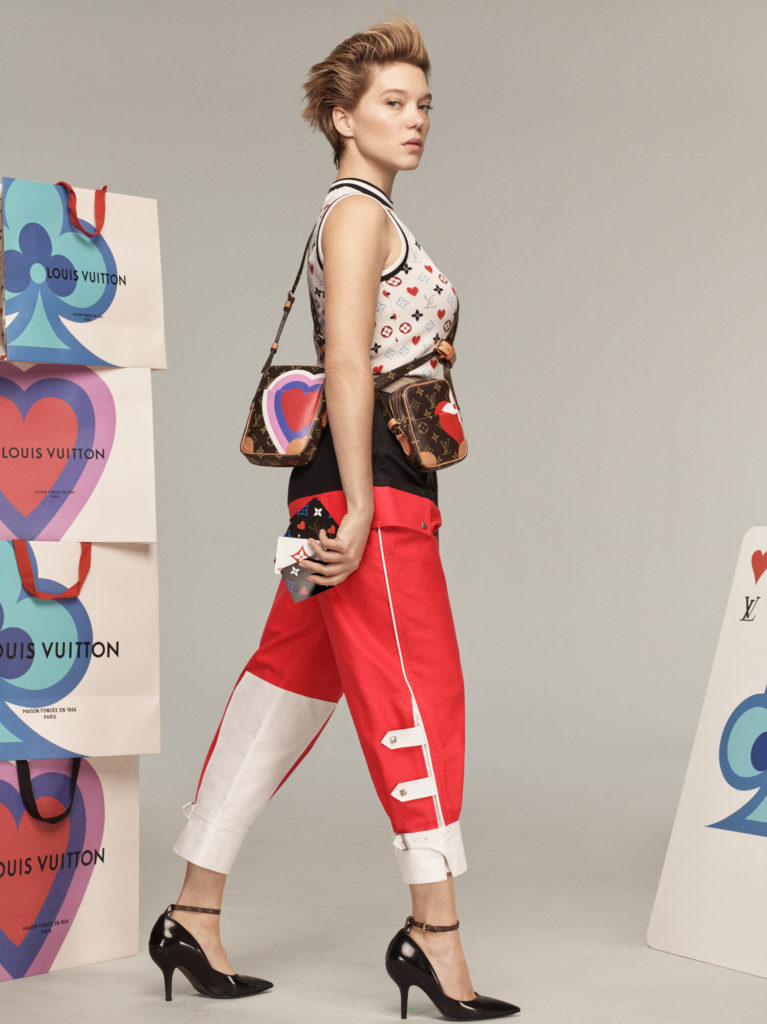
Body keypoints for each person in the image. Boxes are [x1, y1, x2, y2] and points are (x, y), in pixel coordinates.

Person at [149, 16, 519, 1020]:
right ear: (342, 118)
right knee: (417, 692)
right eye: (392, 102)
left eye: (423, 103)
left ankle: (191, 911)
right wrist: (358, 506)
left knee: (286, 688)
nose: (416, 119)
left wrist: (338, 500)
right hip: (372, 494)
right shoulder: (356, 214)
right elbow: (346, 362)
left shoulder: (363, 213)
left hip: (337, 490)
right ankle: (433, 933)